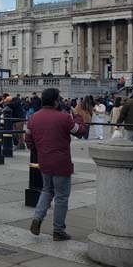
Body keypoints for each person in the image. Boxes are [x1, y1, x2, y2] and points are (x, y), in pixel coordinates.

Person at [27, 88, 87, 241]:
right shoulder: (64, 117)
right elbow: (79, 131)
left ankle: (37, 217)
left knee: (47, 190)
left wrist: (39, 152)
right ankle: (58, 230)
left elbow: (29, 141)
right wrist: (78, 116)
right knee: (61, 196)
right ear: (55, 101)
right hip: (61, 162)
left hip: (44, 161)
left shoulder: (33, 118)